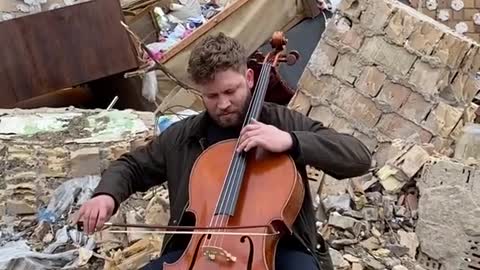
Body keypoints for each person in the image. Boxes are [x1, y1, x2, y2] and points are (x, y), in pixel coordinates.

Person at [73, 32, 372, 270]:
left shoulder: (281, 122)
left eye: (231, 91)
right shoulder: (184, 136)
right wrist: (105, 195)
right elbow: (132, 166)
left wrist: (292, 142)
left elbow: (358, 157)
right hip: (197, 252)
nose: (223, 103)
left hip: (280, 249)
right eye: (212, 96)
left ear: (250, 79)